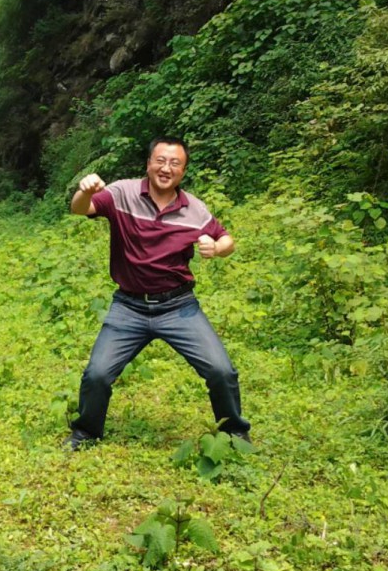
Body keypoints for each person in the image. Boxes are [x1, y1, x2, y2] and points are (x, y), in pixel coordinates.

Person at [64, 137, 251, 450]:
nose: (166, 168)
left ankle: (235, 434)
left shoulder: (194, 209)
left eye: (175, 163)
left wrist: (218, 248)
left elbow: (227, 240)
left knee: (221, 371)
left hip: (179, 307)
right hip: (129, 306)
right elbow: (81, 208)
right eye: (160, 161)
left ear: (183, 171)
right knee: (97, 374)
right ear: (149, 163)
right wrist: (85, 191)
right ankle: (85, 434)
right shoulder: (122, 193)